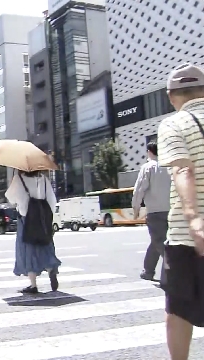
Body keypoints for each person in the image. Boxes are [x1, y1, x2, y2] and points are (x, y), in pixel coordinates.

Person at [156, 63, 204, 360]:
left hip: (187, 238)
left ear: (172, 96)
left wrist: (194, 218)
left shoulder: (174, 124)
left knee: (179, 309)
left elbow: (183, 170)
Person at [5, 170, 60, 294]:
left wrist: (13, 183)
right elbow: (52, 200)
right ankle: (51, 269)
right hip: (43, 218)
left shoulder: (19, 179)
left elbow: (11, 199)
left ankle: (33, 285)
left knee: (28, 250)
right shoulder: (44, 179)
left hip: (26, 219)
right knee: (45, 245)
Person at [132, 141, 171, 281]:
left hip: (155, 211)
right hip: (172, 210)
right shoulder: (170, 166)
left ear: (149, 151)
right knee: (157, 242)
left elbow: (139, 190)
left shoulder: (148, 167)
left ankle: (174, 269)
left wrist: (136, 208)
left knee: (159, 241)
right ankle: (148, 271)